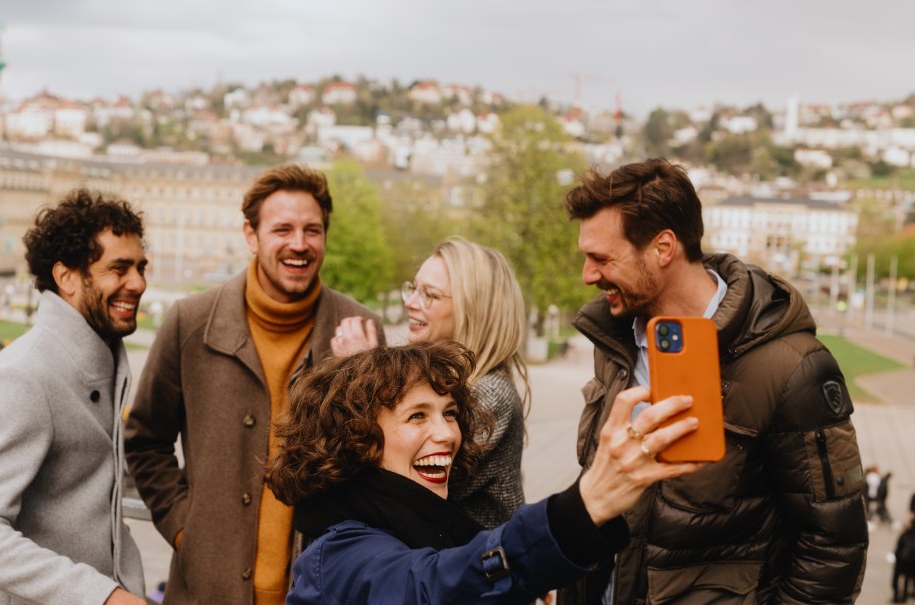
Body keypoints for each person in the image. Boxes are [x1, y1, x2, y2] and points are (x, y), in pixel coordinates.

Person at [559, 158, 868, 604]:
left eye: (601, 258)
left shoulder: (792, 367)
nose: (588, 275)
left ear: (663, 248)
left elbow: (833, 548)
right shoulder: (615, 339)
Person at [265, 341, 705, 604]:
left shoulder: (431, 522)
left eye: (450, 412)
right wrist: (584, 504)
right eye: (417, 416)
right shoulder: (338, 553)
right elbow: (434, 587)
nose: (445, 433)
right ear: (357, 442)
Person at [125, 163, 384, 605]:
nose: (300, 245)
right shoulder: (190, 322)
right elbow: (145, 441)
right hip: (205, 591)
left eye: (313, 230)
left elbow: (380, 467)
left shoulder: (361, 332)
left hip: (318, 592)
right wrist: (186, 529)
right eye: (282, 229)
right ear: (251, 235)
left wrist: (358, 373)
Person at [0, 188, 148, 604]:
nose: (139, 283)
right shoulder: (24, 377)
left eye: (141, 267)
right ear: (67, 277)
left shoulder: (102, 359)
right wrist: (103, 596)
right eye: (119, 268)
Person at [332, 237, 531, 526]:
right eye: (413, 289)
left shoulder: (490, 392)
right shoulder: (441, 381)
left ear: (472, 309)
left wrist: (357, 372)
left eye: (431, 295)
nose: (411, 303)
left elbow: (394, 485)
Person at [892, 517, 915, 602]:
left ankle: (898, 597)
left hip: (903, 561)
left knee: (898, 579)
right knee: (909, 580)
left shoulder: (906, 535)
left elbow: (898, 548)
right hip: (911, 562)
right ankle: (903, 597)